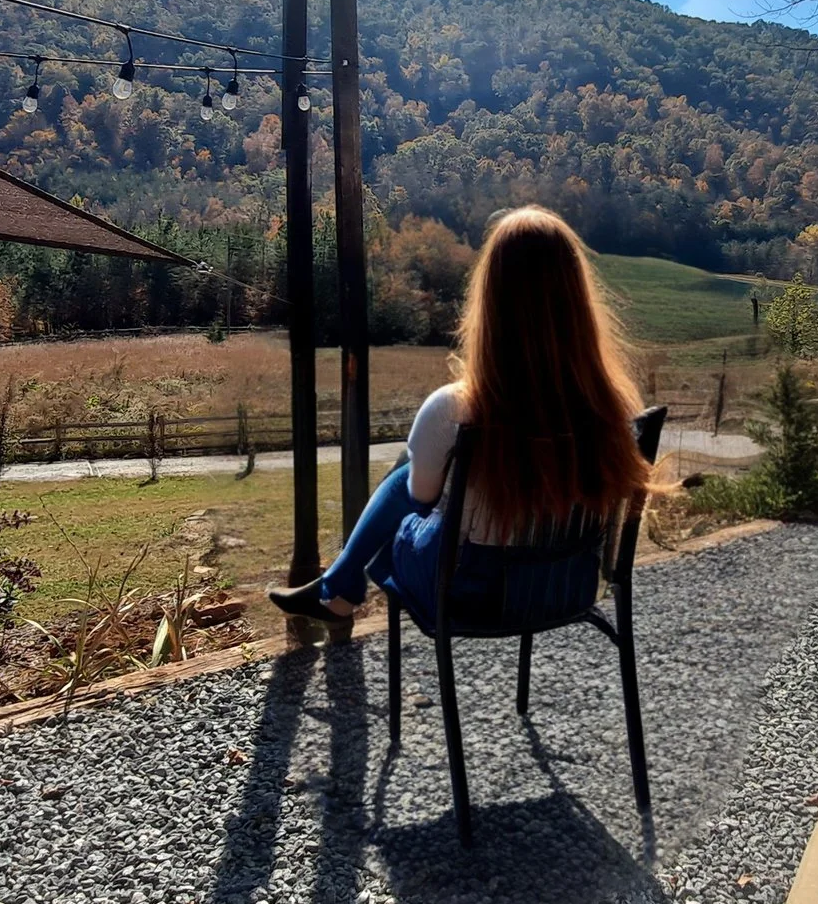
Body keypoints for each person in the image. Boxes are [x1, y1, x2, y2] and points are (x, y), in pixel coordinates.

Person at [268, 206, 652, 624]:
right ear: (578, 301)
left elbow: (421, 500)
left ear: (490, 303)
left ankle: (339, 589)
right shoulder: (615, 406)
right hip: (569, 586)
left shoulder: (453, 409)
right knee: (412, 472)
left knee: (406, 486)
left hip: (473, 597)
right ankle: (337, 589)